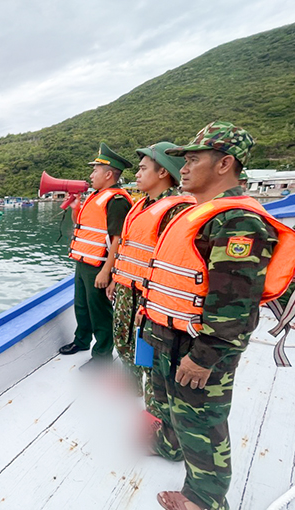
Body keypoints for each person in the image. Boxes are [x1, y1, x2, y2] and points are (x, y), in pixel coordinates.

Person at [140, 121, 295, 510]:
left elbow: (236, 303)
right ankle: (169, 445)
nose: (185, 168)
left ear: (225, 163)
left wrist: (205, 355)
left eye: (193, 159)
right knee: (170, 405)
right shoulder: (200, 213)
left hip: (198, 345)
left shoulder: (238, 222)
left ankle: (204, 499)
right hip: (167, 334)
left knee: (202, 422)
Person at [106, 142, 194, 415]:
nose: (137, 174)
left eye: (144, 169)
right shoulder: (140, 204)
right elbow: (127, 247)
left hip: (148, 295)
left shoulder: (175, 210)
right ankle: (131, 382)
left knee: (148, 351)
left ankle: (153, 406)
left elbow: (172, 261)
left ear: (163, 173)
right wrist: (114, 279)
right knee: (122, 340)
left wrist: (150, 300)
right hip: (125, 287)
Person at [59, 142, 133, 370]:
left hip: (99, 265)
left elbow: (117, 240)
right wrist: (75, 210)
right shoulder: (96, 196)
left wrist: (106, 271)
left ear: (109, 174)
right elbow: (81, 226)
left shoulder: (117, 200)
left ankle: (102, 355)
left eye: (95, 171)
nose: (91, 175)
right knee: (81, 306)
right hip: (83, 263)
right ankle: (81, 341)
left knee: (100, 311)